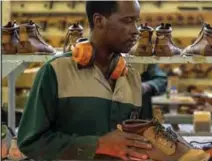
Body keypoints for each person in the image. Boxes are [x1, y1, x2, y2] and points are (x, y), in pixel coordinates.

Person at [17, 1, 153, 160]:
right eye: (127, 21)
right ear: (99, 21)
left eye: (136, 21)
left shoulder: (133, 78)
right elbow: (30, 142)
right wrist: (97, 145)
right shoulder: (55, 72)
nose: (136, 31)